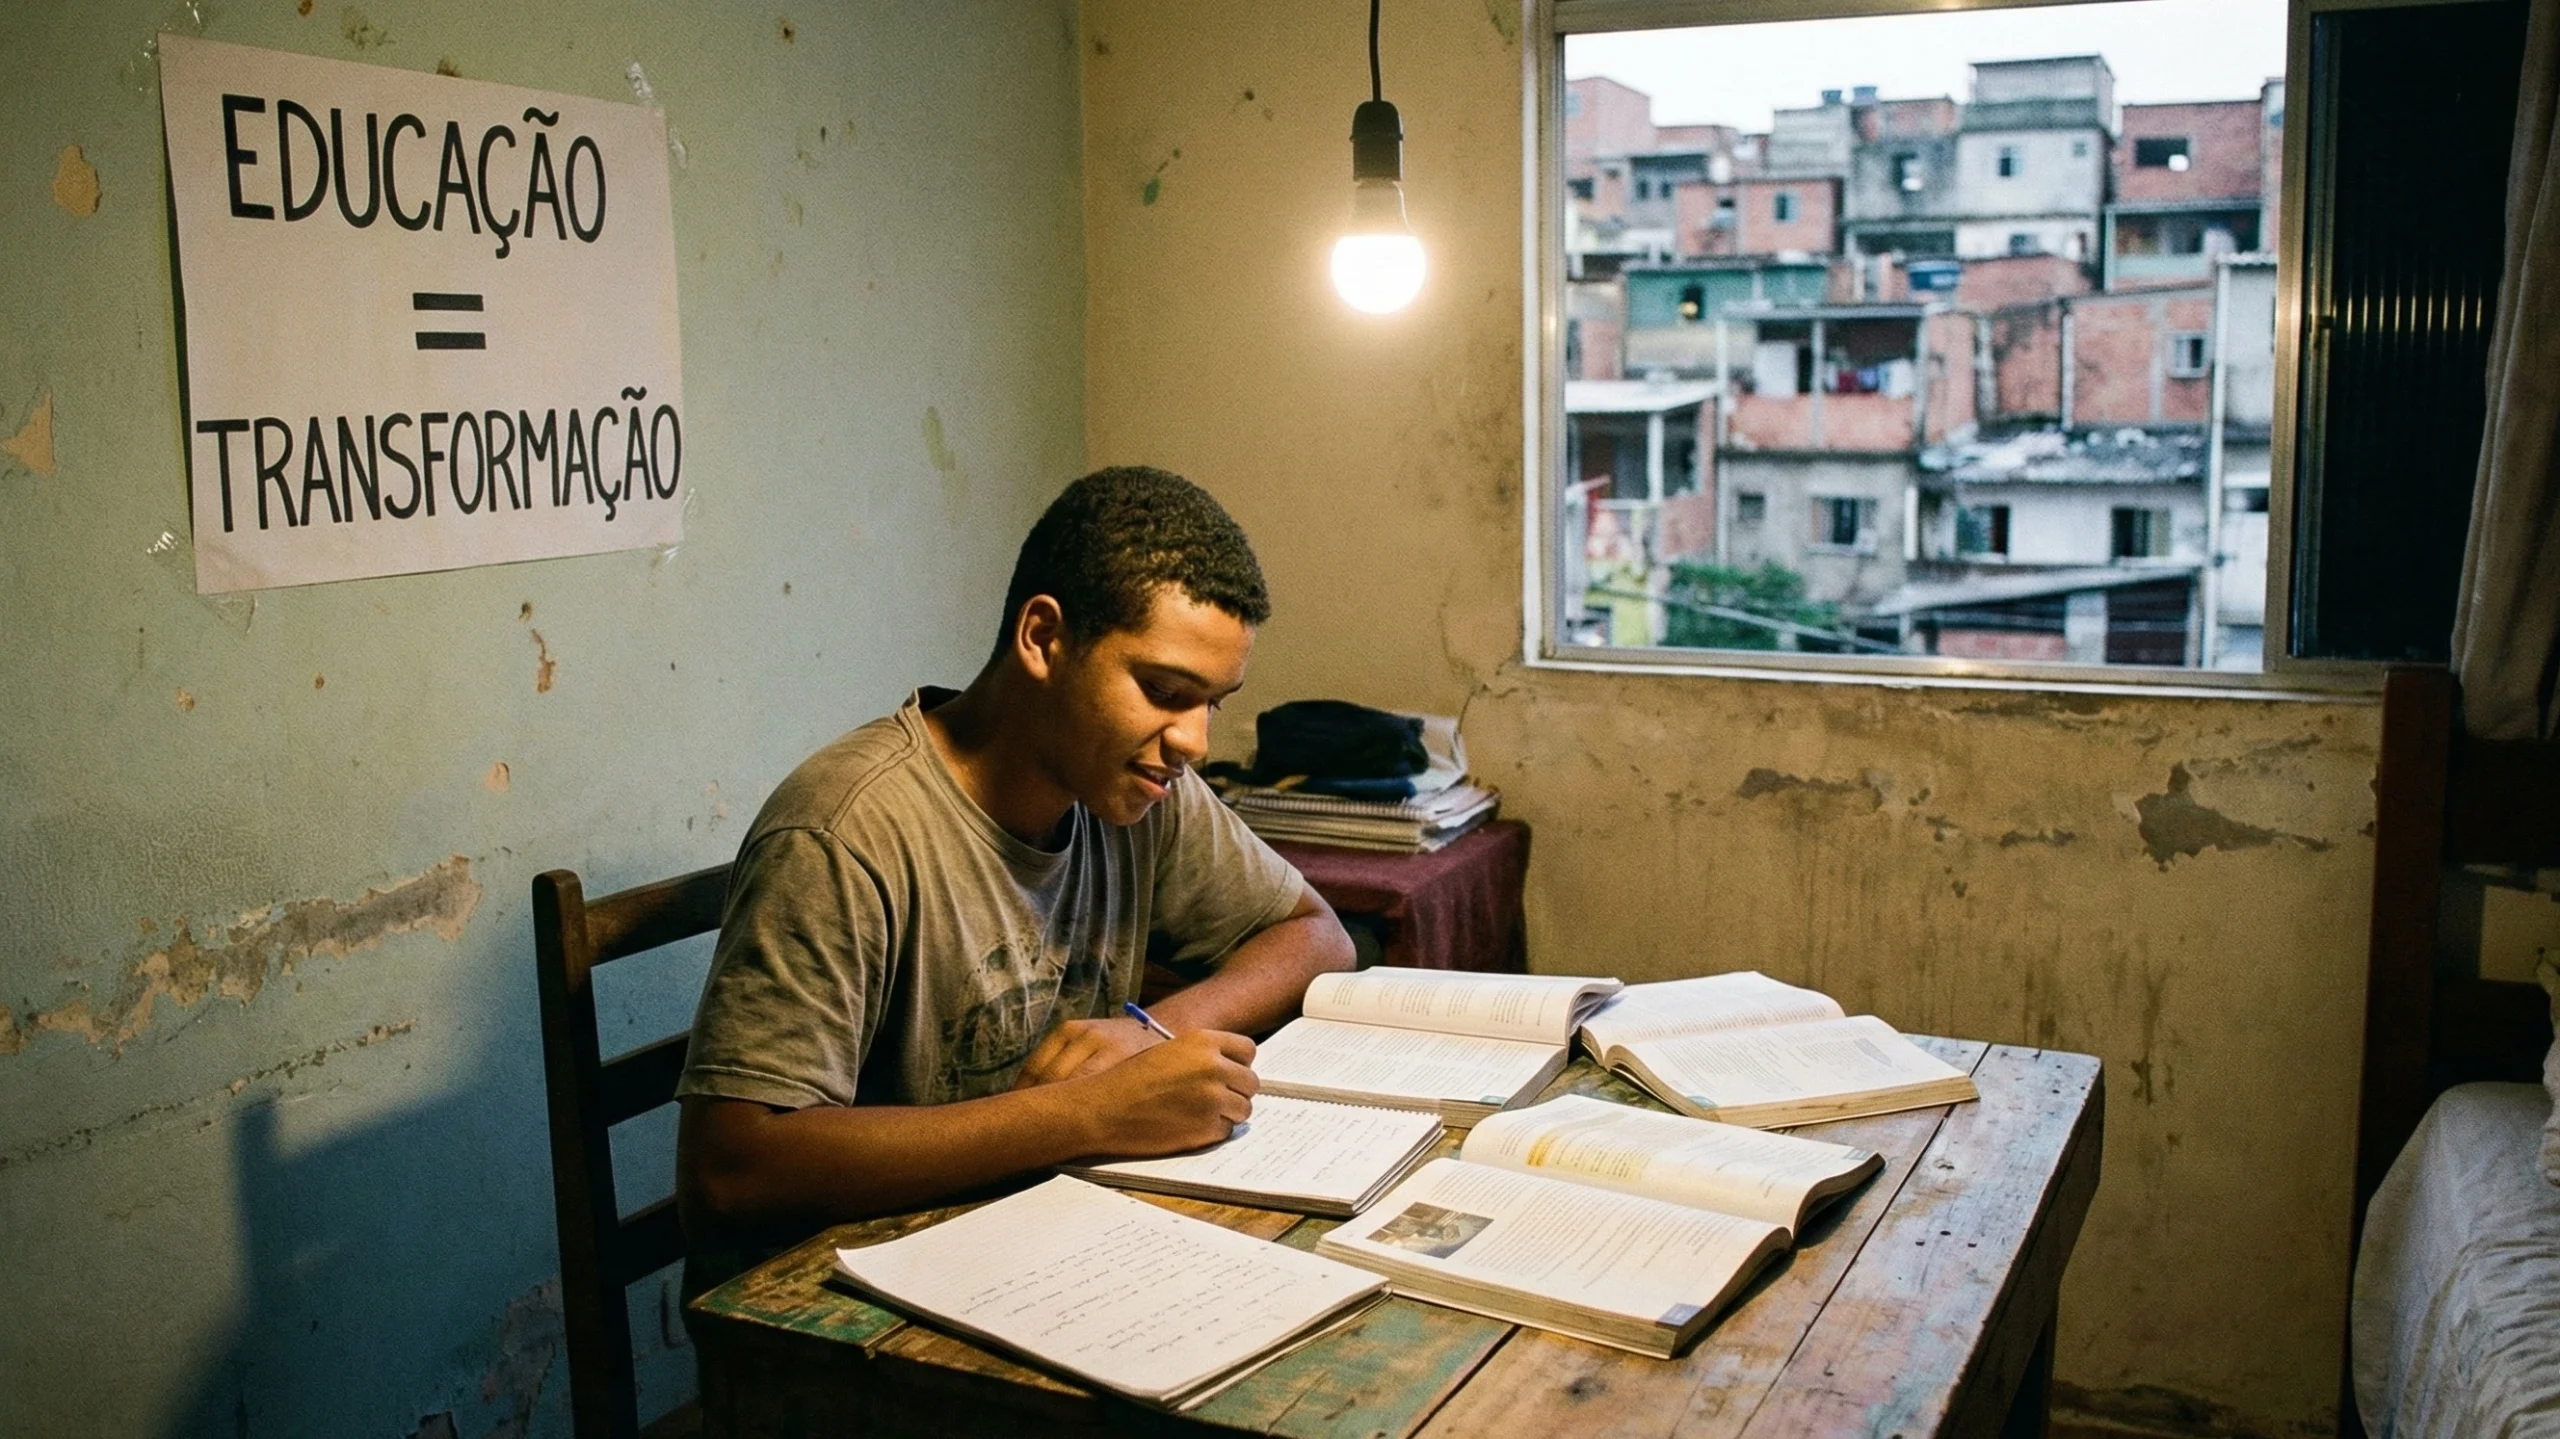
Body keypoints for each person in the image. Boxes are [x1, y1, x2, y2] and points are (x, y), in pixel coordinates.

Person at [675, 466, 1354, 1256]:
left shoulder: (1131, 786)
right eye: (1165, 689)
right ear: (1042, 638)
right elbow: (730, 1172)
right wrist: (1093, 1112)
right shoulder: (843, 833)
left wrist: (1154, 1030)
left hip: (1033, 1243)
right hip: (837, 1314)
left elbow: (1315, 934)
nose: (1194, 740)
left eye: (1214, 702)